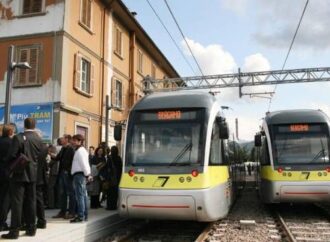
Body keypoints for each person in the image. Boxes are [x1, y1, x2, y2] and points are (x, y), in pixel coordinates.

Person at [2, 118, 43, 239]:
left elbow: (11, 155)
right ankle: (31, 228)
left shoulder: (18, 137)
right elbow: (40, 156)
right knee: (31, 201)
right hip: (33, 174)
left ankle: (14, 231)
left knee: (17, 203)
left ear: (24, 125)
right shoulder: (38, 139)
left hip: (19, 175)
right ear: (34, 126)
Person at [52, 134, 76, 219]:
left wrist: (68, 171)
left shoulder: (71, 149)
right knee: (62, 193)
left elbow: (73, 162)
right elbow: (57, 158)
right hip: (61, 173)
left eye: (63, 137)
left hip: (67, 174)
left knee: (71, 193)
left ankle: (71, 212)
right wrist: (49, 153)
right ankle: (62, 211)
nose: (61, 139)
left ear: (67, 139)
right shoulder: (63, 148)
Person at [70, 134, 92, 222]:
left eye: (75, 140)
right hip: (80, 175)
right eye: (73, 140)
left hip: (79, 175)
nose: (73, 142)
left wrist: (88, 174)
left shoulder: (80, 151)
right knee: (83, 196)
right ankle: (84, 215)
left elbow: (84, 164)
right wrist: (87, 174)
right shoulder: (80, 150)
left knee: (80, 196)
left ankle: (80, 216)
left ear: (80, 141)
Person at [0, 124, 15, 232]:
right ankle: (2, 222)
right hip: (7, 173)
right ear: (10, 132)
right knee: (6, 199)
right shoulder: (12, 143)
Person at [101, 146, 122, 210]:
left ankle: (109, 206)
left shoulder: (109, 158)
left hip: (110, 178)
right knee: (115, 193)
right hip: (117, 177)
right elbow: (120, 168)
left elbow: (107, 167)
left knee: (109, 193)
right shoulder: (119, 158)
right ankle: (114, 206)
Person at [36, 142, 49, 229]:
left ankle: (26, 221)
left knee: (29, 201)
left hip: (32, 178)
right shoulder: (44, 148)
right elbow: (45, 166)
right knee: (39, 201)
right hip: (40, 178)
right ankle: (42, 221)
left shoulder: (29, 145)